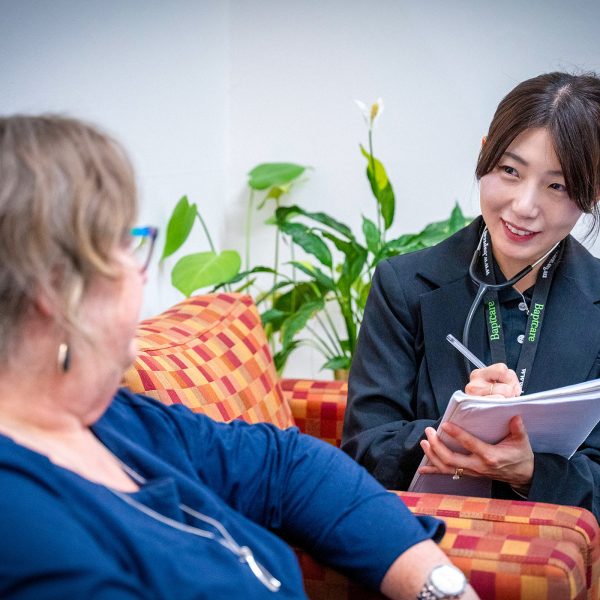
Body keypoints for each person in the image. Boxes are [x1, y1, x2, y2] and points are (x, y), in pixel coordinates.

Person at [0, 115, 478, 600]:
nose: (141, 273)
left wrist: (442, 589)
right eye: (124, 245)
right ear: (56, 290)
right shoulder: (19, 520)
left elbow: (289, 466)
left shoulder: (114, 418)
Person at [342, 71, 600, 520]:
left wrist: (530, 472)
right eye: (510, 171)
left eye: (556, 186)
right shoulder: (403, 285)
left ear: (592, 192)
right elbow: (365, 451)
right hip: (428, 541)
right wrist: (458, 427)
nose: (523, 206)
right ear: (485, 152)